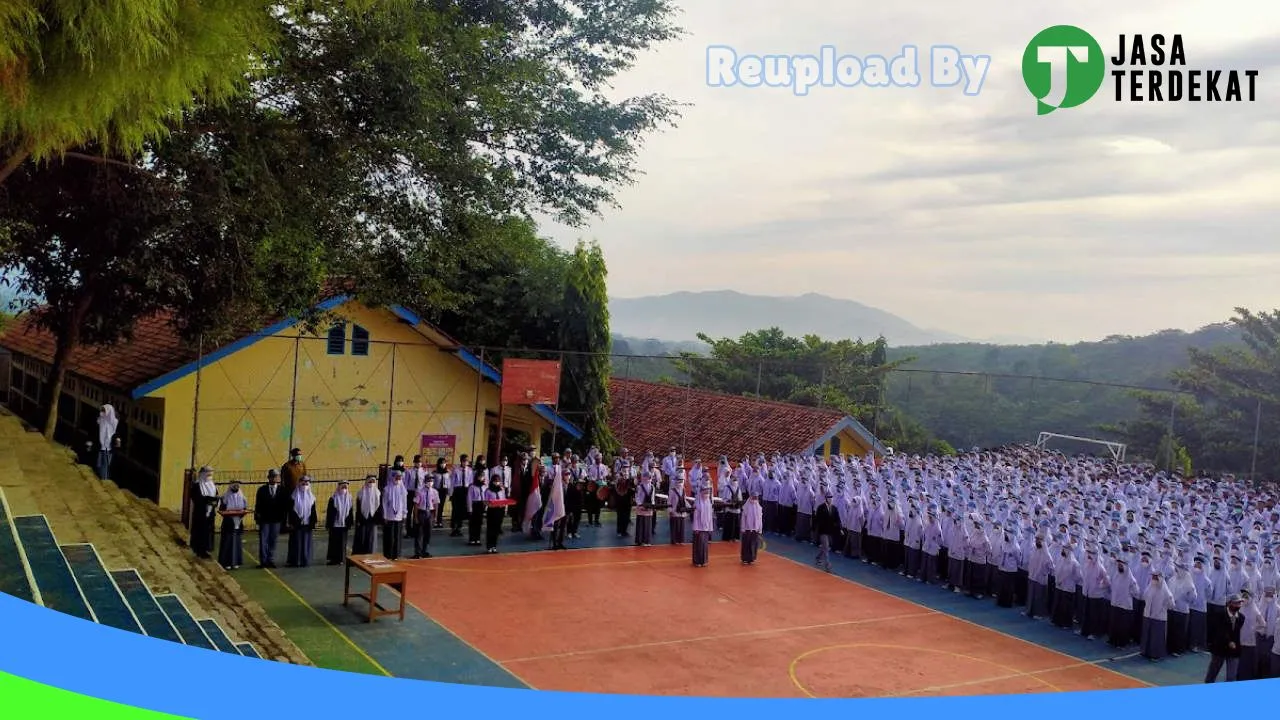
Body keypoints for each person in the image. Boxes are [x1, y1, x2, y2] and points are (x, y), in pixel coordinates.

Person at [1205, 595, 1244, 682]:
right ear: (1229, 603)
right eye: (1235, 603)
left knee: (1231, 677)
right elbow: (1220, 631)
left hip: (1234, 650)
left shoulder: (1241, 618)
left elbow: (1237, 633)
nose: (1238, 605)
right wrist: (1229, 641)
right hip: (1220, 648)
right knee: (1212, 674)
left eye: (1239, 603)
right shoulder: (1219, 614)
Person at [253, 469, 287, 568]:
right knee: (263, 540)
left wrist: (283, 519)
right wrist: (257, 518)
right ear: (269, 478)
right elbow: (258, 505)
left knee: (273, 540)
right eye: (272, 476)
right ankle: (263, 561)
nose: (274, 478)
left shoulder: (282, 490)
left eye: (276, 476)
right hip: (265, 519)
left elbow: (284, 506)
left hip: (276, 519)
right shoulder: (262, 490)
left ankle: (270, 559)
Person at [1139, 570, 1174, 660]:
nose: (1154, 578)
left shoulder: (1165, 591)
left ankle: (1156, 654)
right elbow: (1144, 596)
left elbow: (1172, 604)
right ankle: (1145, 651)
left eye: (1156, 577)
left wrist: (1164, 606)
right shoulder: (1150, 587)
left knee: (1156, 637)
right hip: (1148, 615)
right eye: (1153, 576)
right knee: (1147, 634)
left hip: (1159, 617)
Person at [286, 477, 318, 567]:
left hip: (307, 524)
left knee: (306, 543)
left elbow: (313, 511)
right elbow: (291, 511)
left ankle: (305, 560)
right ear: (299, 484)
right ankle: (295, 561)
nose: (305, 486)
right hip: (296, 524)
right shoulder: (293, 497)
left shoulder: (312, 498)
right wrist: (292, 522)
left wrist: (313, 523)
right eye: (303, 484)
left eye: (306, 484)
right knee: (296, 542)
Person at [1108, 557, 1140, 648]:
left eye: (1121, 565)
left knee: (1123, 625)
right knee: (1114, 623)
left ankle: (1122, 642)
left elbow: (1136, 592)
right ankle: (1113, 640)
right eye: (1118, 565)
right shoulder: (1116, 575)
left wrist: (1128, 593)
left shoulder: (1131, 579)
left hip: (1125, 605)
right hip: (1115, 603)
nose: (1119, 566)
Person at [216, 482, 248, 570]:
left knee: (237, 542)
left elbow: (245, 508)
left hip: (238, 521)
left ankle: (236, 562)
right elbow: (222, 510)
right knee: (227, 542)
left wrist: (241, 514)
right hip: (228, 523)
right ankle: (226, 562)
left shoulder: (242, 498)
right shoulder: (224, 498)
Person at [189, 466, 219, 560]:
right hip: (200, 513)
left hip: (210, 513)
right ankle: (198, 549)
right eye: (207, 473)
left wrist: (214, 502)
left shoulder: (212, 485)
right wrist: (205, 500)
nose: (209, 476)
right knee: (200, 531)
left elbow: (216, 496)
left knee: (208, 531)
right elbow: (195, 498)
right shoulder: (197, 485)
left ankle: (206, 549)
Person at [325, 480, 354, 566]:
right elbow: (329, 513)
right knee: (334, 542)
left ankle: (341, 559)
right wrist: (329, 524)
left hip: (344, 524)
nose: (344, 489)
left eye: (345, 487)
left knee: (342, 543)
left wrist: (350, 523)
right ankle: (333, 559)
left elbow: (351, 512)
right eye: (342, 487)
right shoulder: (333, 499)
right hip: (335, 525)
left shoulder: (349, 499)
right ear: (339, 488)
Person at [382, 470, 408, 560]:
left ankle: (396, 555)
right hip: (389, 516)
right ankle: (388, 554)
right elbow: (384, 503)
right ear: (393, 477)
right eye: (396, 477)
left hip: (399, 516)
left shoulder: (402, 489)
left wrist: (405, 514)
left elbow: (405, 503)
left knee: (397, 536)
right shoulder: (387, 489)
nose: (398, 479)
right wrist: (385, 516)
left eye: (400, 478)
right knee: (389, 536)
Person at [352, 475, 381, 555]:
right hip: (363, 518)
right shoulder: (360, 493)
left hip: (373, 518)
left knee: (372, 537)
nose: (371, 483)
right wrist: (358, 519)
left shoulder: (377, 493)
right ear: (366, 482)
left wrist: (377, 518)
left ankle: (371, 553)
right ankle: (359, 554)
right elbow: (358, 507)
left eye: (373, 482)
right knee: (361, 536)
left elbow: (379, 507)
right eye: (370, 481)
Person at [412, 475, 438, 559]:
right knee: (419, 533)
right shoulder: (419, 491)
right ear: (425, 481)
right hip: (421, 512)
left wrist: (435, 516)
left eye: (432, 480)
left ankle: (425, 551)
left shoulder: (434, 492)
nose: (430, 482)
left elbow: (435, 504)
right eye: (429, 480)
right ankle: (418, 552)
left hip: (429, 513)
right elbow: (416, 504)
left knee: (428, 534)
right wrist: (415, 517)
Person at [814, 492, 839, 574]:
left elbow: (837, 519)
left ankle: (818, 558)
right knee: (826, 546)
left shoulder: (834, 508)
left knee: (826, 547)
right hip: (823, 531)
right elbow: (817, 519)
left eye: (831, 497)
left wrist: (840, 528)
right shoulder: (821, 508)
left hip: (830, 531)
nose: (830, 499)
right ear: (826, 498)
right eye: (829, 497)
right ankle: (828, 565)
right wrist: (815, 529)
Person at [449, 454, 473, 537]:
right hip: (457, 490)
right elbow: (452, 482)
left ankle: (459, 528)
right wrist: (451, 494)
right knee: (455, 510)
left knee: (462, 510)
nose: (465, 462)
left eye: (466, 461)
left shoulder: (470, 470)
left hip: (465, 490)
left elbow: (470, 483)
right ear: (461, 461)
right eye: (463, 461)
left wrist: (470, 494)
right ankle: (453, 528)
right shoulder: (456, 470)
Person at [691, 485, 714, 568]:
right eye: (705, 493)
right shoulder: (698, 503)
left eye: (707, 493)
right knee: (698, 545)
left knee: (704, 545)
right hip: (699, 528)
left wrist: (710, 528)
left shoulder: (709, 503)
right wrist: (696, 528)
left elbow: (710, 517)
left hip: (706, 527)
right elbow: (696, 517)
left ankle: (704, 560)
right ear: (701, 493)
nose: (706, 495)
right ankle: (697, 561)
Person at [484, 472, 506, 554]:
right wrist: (491, 504)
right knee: (490, 529)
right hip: (492, 511)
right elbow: (485, 501)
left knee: (497, 529)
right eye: (495, 481)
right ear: (492, 481)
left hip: (499, 511)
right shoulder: (488, 490)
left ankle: (494, 546)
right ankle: (489, 546)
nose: (497, 482)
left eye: (498, 481)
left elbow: (504, 499)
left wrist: (503, 505)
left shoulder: (502, 490)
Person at [96, 404, 118, 480]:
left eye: (104, 411)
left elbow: (116, 436)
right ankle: (100, 477)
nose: (102, 412)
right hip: (100, 446)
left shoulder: (114, 423)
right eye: (102, 410)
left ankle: (104, 479)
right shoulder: (101, 420)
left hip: (109, 449)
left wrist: (115, 447)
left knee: (106, 465)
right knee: (99, 464)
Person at [741, 491, 763, 565]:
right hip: (747, 529)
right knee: (746, 544)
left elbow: (760, 519)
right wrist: (743, 528)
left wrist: (760, 529)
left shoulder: (759, 507)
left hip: (755, 529)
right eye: (753, 497)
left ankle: (752, 558)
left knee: (753, 544)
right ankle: (745, 558)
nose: (754, 499)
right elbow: (743, 519)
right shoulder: (746, 507)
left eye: (756, 497)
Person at [634, 471, 656, 546]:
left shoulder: (652, 487)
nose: (648, 479)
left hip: (649, 508)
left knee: (648, 525)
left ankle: (647, 541)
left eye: (649, 477)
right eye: (646, 477)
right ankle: (639, 541)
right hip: (641, 508)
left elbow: (653, 498)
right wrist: (640, 505)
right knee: (640, 524)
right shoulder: (639, 487)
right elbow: (637, 497)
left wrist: (652, 506)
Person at [467, 470, 486, 547]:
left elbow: (486, 497)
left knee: (479, 523)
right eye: (480, 476)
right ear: (477, 477)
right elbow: (469, 498)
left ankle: (477, 539)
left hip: (481, 505)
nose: (481, 478)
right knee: (472, 523)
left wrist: (486, 507)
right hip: (475, 505)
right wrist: (470, 509)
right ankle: (472, 539)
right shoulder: (472, 486)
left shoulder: (484, 486)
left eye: (482, 476)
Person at [668, 472, 689, 545]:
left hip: (682, 512)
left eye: (681, 481)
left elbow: (685, 500)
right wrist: (670, 511)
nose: (680, 482)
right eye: (679, 480)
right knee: (675, 527)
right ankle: (674, 540)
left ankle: (681, 540)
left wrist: (689, 507)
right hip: (675, 511)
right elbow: (669, 501)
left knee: (681, 527)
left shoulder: (683, 490)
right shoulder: (672, 490)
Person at [432, 458, 449, 529]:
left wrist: (449, 491)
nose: (443, 464)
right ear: (438, 464)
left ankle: (440, 521)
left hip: (444, 491)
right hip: (436, 490)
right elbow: (432, 483)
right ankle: (434, 521)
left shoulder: (447, 472)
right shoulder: (435, 472)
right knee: (436, 506)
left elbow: (448, 482)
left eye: (444, 463)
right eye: (441, 463)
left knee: (441, 506)